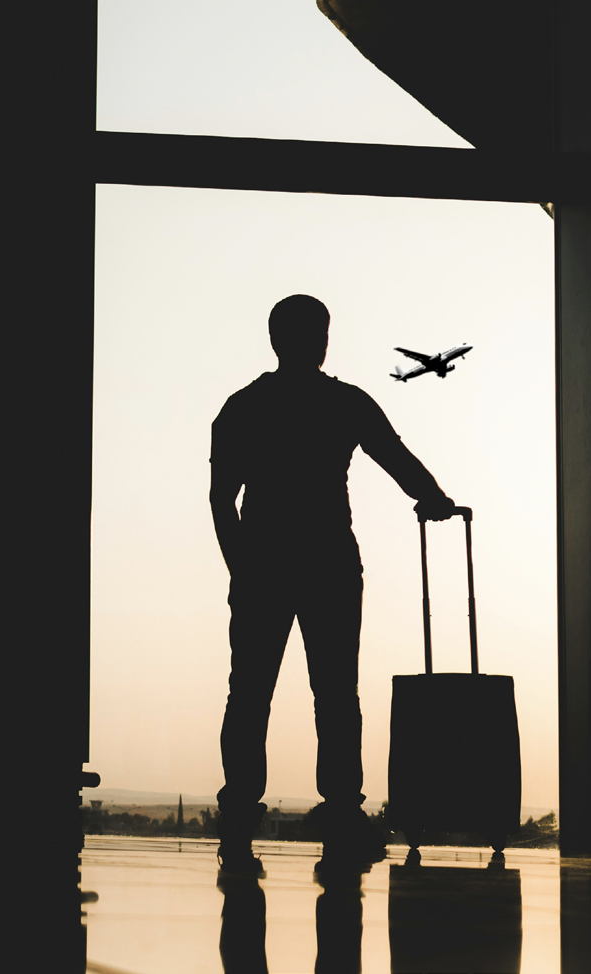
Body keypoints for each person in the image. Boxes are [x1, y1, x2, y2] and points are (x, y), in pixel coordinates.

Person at [210, 294, 455, 874]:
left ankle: (239, 820)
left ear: (274, 340)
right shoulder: (343, 402)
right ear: (321, 340)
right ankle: (343, 813)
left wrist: (240, 568)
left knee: (248, 698)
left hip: (263, 564)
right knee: (337, 697)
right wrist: (434, 498)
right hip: (329, 564)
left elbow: (223, 499)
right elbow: (393, 456)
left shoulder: (243, 407)